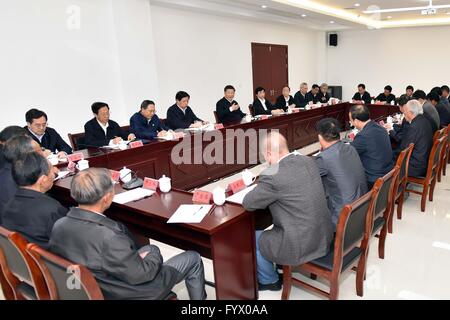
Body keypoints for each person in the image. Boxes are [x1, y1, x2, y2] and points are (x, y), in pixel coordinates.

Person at [49, 168, 207, 300]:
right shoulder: (109, 237)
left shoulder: (59, 225)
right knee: (191, 257)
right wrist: (155, 253)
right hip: (131, 292)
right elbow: (142, 275)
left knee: (148, 250)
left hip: (98, 285)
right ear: (107, 198)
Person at [242, 132, 333, 291]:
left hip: (300, 243)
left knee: (250, 237)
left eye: (265, 157)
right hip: (323, 234)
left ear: (269, 154)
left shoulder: (272, 176)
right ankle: (277, 263)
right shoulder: (308, 160)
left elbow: (248, 203)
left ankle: (269, 280)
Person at [2, 153, 67, 249]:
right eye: (51, 171)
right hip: (47, 261)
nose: (54, 174)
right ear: (43, 180)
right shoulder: (51, 209)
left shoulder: (8, 206)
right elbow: (69, 243)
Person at [315, 118, 368, 227]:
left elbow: (308, 176)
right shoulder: (351, 148)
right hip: (362, 206)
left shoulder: (324, 158)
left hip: (343, 216)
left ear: (320, 136)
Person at [350, 105, 394, 189]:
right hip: (388, 173)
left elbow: (349, 153)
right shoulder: (381, 128)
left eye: (351, 120)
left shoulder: (362, 136)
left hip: (374, 179)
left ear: (355, 121)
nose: (351, 123)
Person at [0, 135, 42, 222]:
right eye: (38, 152)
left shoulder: (7, 170)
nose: (42, 155)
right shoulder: (17, 177)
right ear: (24, 155)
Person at [394, 100, 433, 178]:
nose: (403, 113)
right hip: (424, 159)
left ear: (411, 112)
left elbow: (404, 150)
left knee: (387, 162)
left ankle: (394, 188)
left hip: (416, 166)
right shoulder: (424, 120)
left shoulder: (414, 127)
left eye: (405, 111)